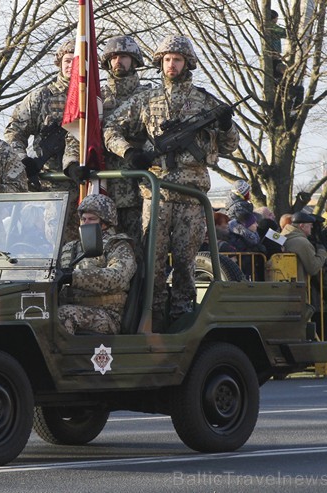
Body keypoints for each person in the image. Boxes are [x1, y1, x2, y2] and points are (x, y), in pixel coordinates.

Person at [103, 34, 240, 327]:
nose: (171, 65)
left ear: (187, 63)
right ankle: (152, 320)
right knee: (151, 264)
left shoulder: (205, 101)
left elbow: (229, 146)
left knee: (185, 265)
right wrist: (129, 152)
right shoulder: (147, 99)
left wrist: (226, 125)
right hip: (157, 194)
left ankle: (181, 322)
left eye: (177, 60)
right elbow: (110, 127)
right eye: (166, 60)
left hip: (191, 196)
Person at [63, 36, 150, 250]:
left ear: (135, 61)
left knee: (138, 250)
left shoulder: (148, 96)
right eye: (113, 57)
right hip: (100, 189)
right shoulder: (95, 97)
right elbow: (78, 134)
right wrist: (72, 164)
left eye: (124, 56)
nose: (118, 61)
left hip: (136, 189)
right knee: (96, 250)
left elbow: (155, 135)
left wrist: (144, 155)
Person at [4, 41, 80, 242]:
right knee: (52, 240)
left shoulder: (93, 98)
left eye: (75, 61)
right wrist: (23, 159)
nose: (70, 65)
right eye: (66, 61)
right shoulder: (42, 97)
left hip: (84, 180)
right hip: (50, 183)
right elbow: (14, 131)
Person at [57, 194, 136, 335]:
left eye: (92, 219)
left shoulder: (118, 246)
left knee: (62, 315)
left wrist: (73, 277)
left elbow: (118, 278)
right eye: (83, 219)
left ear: (105, 223)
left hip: (106, 316)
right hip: (72, 307)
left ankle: (60, 358)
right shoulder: (71, 247)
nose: (86, 223)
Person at [281, 211, 327, 282]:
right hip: (297, 286)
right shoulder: (302, 242)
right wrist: (322, 252)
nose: (312, 227)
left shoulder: (282, 236)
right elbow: (313, 268)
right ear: (302, 226)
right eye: (310, 224)